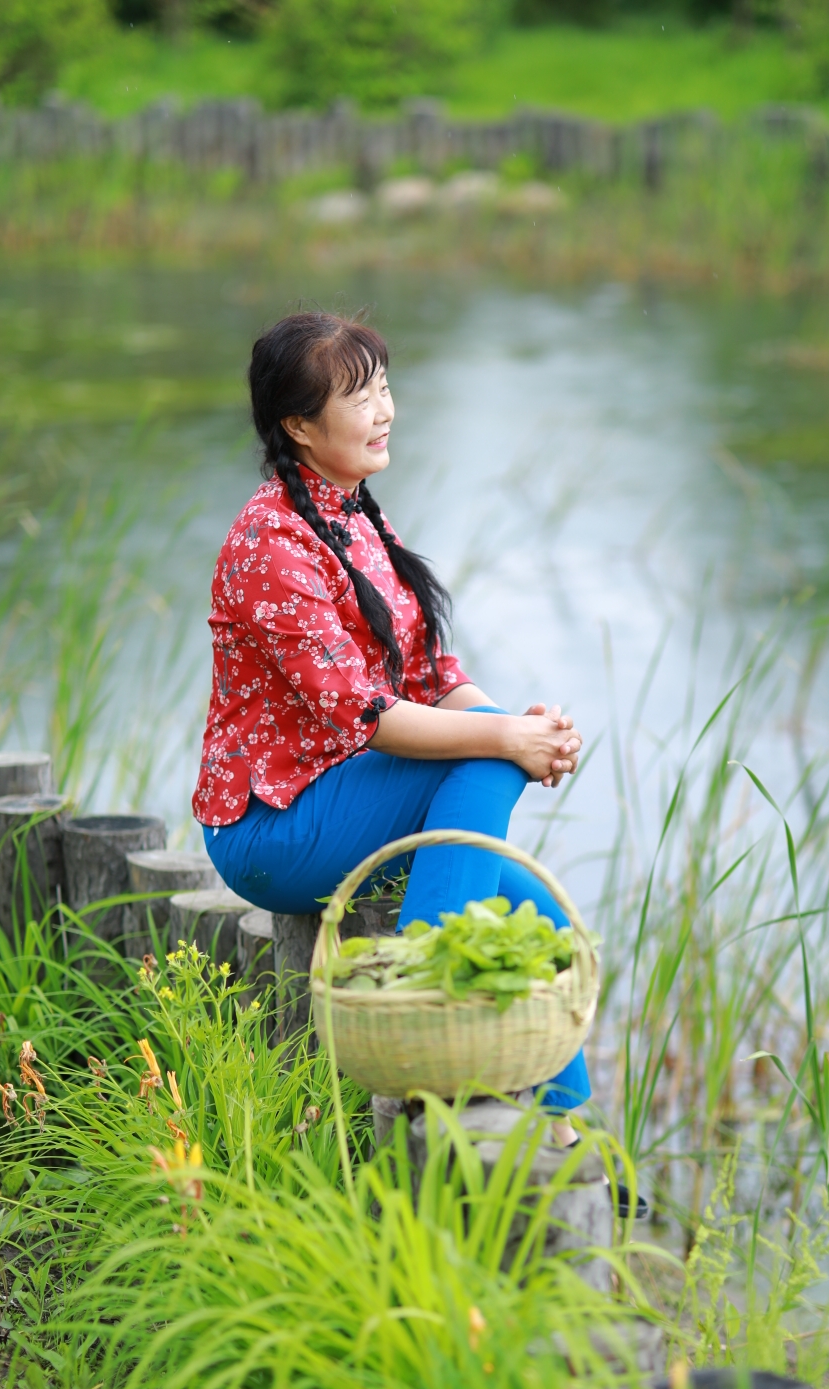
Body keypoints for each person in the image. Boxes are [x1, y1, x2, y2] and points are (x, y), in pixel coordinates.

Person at [192, 309, 591, 1121]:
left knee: (540, 918)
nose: (385, 411)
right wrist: (505, 740)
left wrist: (528, 730)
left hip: (351, 802)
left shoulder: (355, 515)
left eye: (384, 387)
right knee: (482, 757)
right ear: (299, 425)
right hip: (275, 828)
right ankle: (423, 1006)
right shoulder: (270, 543)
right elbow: (370, 715)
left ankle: (566, 1132)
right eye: (359, 396)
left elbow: (436, 678)